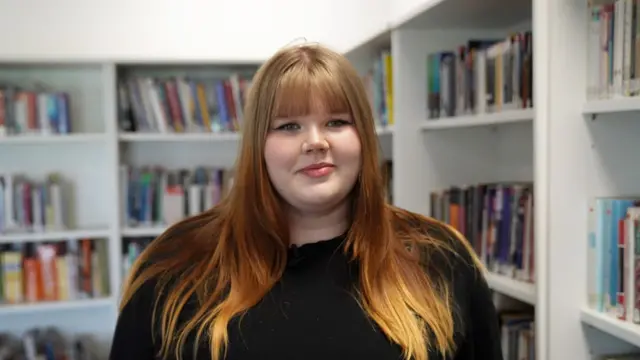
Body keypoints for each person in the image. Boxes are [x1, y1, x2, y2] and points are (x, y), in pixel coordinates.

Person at [108, 42, 503, 360]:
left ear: (363, 135)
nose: (316, 142)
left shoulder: (440, 255)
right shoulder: (176, 261)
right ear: (257, 146)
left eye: (336, 122)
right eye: (289, 126)